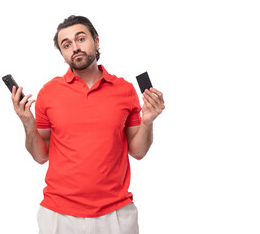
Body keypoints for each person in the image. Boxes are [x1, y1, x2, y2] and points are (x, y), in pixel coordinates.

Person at [11, 15, 165, 234]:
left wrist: (148, 121)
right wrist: (27, 123)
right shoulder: (49, 93)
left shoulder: (125, 90)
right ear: (63, 54)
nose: (75, 47)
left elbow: (138, 152)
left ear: (97, 41)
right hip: (59, 214)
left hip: (116, 212)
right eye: (66, 44)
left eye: (80, 39)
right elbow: (40, 156)